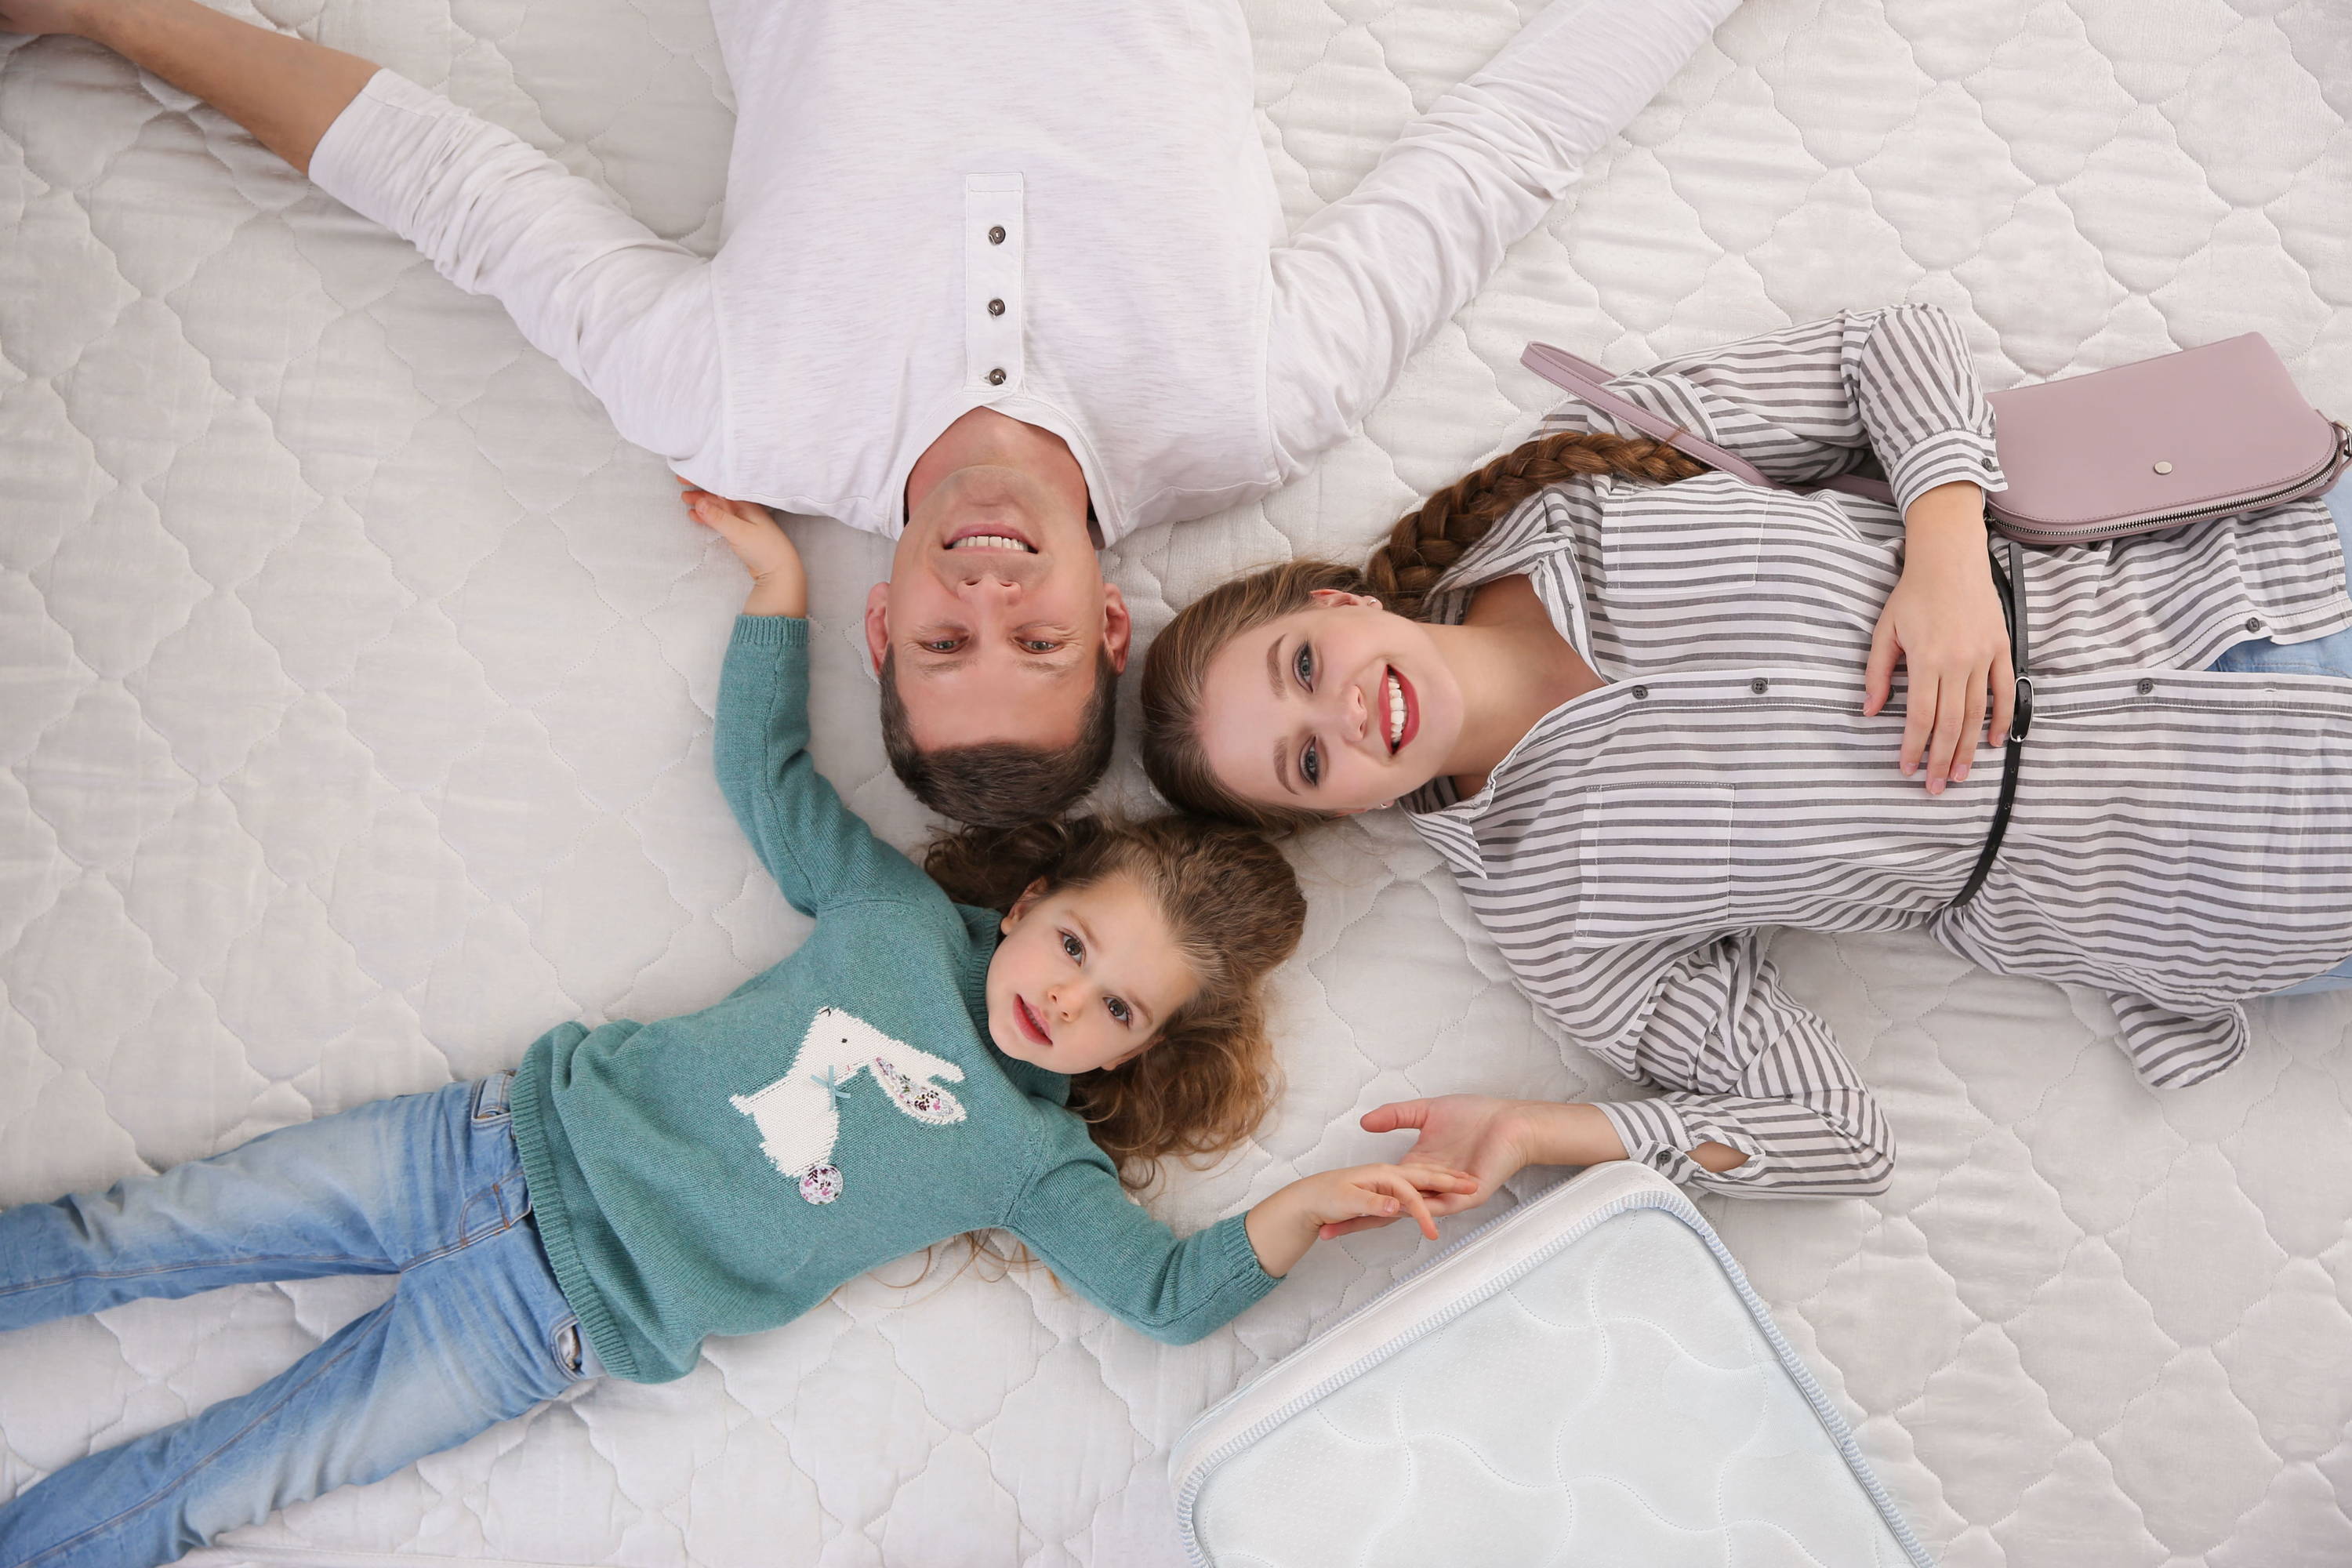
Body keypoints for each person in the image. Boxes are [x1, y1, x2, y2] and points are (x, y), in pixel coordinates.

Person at [0, 487, 1474, 1568]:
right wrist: (778, 583)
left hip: (547, 1324)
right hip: (472, 1150)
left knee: (227, 1480)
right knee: (125, 1235)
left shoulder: (1036, 1165)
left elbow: (1168, 1298)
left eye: (1117, 1011)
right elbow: (769, 782)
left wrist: (1304, 1206)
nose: (1069, 997)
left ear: (1131, 1056)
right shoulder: (893, 920)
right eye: (1078, 944)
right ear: (1030, 896)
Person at [0, 0, 1739, 825]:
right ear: (1110, 616)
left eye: (944, 637)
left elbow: (445, 188)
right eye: (1035, 638)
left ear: (884, 618)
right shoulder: (1246, 409)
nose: (988, 594)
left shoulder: (736, 410)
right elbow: (1506, 153)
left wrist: (101, 13)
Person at [1137, 303, 2352, 1203]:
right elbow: (1833, 1133)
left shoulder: (1574, 480)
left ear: (1341, 607)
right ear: (1339, 810)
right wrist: (1547, 1132)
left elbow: (1889, 344)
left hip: (2270, 576)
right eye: (1305, 764)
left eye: (1301, 668)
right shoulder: (1558, 917)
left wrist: (1942, 548)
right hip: (2249, 869)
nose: (1340, 717)